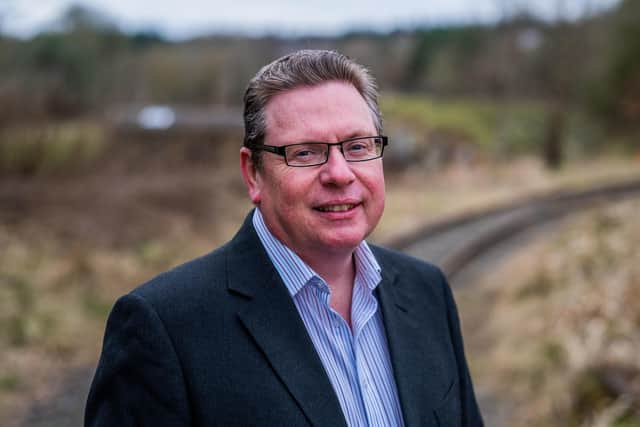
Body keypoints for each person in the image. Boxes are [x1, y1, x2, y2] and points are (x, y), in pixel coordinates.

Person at [85, 49, 483, 427]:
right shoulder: (164, 327)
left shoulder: (427, 291)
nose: (340, 173)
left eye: (358, 146)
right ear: (253, 174)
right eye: (306, 153)